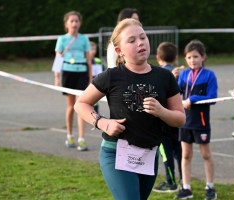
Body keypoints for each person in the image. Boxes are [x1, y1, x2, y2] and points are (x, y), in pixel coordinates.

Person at [74, 18, 186, 200]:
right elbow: (81, 104)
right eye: (132, 40)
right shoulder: (111, 76)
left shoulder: (165, 77)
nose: (140, 43)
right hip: (116, 152)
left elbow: (180, 119)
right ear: (119, 51)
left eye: (143, 37)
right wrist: (103, 123)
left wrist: (161, 111)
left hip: (149, 155)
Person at [174, 40, 218, 200]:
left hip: (201, 121)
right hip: (185, 121)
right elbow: (176, 91)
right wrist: (172, 78)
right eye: (189, 57)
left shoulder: (209, 75)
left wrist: (192, 99)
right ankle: (186, 188)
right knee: (186, 154)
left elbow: (212, 98)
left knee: (206, 154)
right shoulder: (184, 74)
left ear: (203, 57)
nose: (193, 60)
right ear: (185, 59)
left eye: (196, 56)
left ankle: (210, 187)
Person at [54, 11, 92, 151]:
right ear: (66, 24)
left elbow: (89, 60)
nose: (74, 23)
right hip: (68, 73)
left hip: (81, 72)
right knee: (71, 106)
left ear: (80, 23)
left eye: (77, 21)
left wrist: (90, 79)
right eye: (72, 21)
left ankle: (81, 138)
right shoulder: (62, 40)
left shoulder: (84, 39)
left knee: (81, 105)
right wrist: (56, 78)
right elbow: (58, 59)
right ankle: (70, 135)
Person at [152, 42, 183, 193]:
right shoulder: (180, 74)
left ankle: (171, 182)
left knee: (166, 153)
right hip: (177, 119)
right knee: (179, 151)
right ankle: (184, 180)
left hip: (163, 122)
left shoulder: (157, 75)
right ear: (176, 58)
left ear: (158, 57)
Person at [90, 41, 105, 113]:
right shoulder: (83, 61)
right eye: (91, 49)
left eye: (94, 49)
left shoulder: (98, 61)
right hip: (85, 85)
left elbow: (103, 72)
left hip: (96, 85)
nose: (93, 51)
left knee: (95, 104)